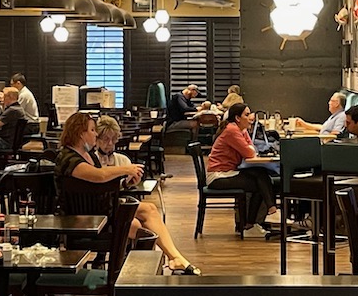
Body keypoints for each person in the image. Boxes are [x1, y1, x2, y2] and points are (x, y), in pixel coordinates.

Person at [57, 110, 195, 273]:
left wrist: (125, 182)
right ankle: (138, 272)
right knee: (139, 226)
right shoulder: (69, 159)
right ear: (80, 133)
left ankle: (173, 258)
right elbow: (100, 176)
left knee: (149, 210)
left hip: (101, 210)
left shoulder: (86, 155)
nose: (95, 135)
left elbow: (99, 184)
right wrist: (126, 169)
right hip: (89, 219)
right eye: (92, 130)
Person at [206, 102, 277, 233]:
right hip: (218, 176)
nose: (251, 117)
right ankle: (252, 222)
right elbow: (250, 153)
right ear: (238, 118)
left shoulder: (239, 130)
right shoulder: (231, 130)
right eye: (247, 114)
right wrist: (250, 148)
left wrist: (248, 143)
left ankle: (254, 220)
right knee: (260, 184)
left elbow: (252, 148)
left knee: (260, 173)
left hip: (228, 172)